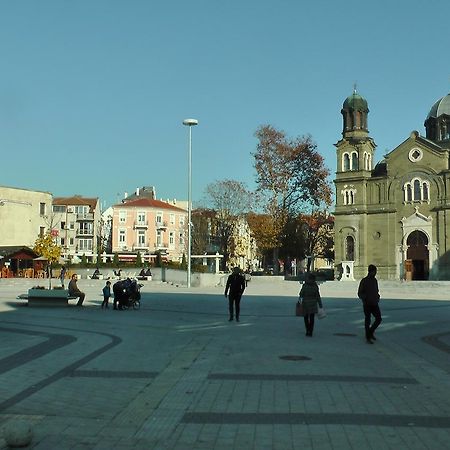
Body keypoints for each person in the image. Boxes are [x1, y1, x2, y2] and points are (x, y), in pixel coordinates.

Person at [358, 264, 382, 344]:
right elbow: (360, 293)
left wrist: (377, 296)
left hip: (374, 303)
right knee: (368, 320)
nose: (375, 273)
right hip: (367, 304)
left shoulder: (375, 280)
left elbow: (376, 290)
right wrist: (365, 298)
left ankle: (370, 332)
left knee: (378, 319)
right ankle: (368, 336)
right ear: (371, 271)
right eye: (375, 271)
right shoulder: (364, 281)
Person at [299, 272, 323, 337]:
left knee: (306, 317)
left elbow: (301, 294)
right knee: (312, 318)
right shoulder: (315, 286)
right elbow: (317, 295)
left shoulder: (305, 285)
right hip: (313, 303)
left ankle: (307, 330)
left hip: (305, 303)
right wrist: (320, 304)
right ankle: (311, 331)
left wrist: (300, 300)